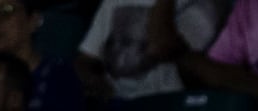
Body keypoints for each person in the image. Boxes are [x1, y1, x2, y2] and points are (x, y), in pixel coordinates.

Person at [79, 0, 227, 102]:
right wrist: (95, 83)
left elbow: (159, 45)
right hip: (114, 109)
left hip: (168, 109)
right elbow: (86, 58)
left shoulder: (205, 4)